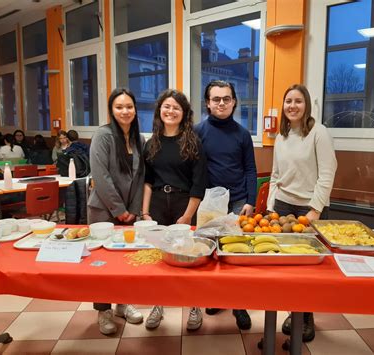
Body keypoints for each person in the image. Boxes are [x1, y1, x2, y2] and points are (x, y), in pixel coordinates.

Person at [267, 84, 337, 343]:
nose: (292, 106)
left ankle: (306, 319)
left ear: (306, 104)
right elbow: (275, 175)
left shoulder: (319, 133)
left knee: (306, 270)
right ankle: (292, 312)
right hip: (283, 207)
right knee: (284, 267)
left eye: (297, 101)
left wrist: (316, 209)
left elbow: (328, 173)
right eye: (288, 101)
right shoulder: (281, 136)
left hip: (310, 208)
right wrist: (271, 207)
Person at [141, 89, 207, 331]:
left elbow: (199, 184)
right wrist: (145, 212)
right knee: (160, 260)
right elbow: (147, 180)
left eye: (176, 108)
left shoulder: (193, 143)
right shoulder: (151, 143)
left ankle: (194, 307)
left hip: (184, 204)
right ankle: (157, 305)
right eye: (166, 106)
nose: (170, 111)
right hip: (158, 203)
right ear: (160, 110)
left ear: (184, 114)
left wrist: (188, 215)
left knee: (187, 257)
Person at [195, 80, 257, 330]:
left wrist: (251, 201)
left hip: (238, 202)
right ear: (208, 103)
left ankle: (239, 305)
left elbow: (250, 169)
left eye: (226, 99)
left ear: (234, 102)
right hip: (209, 204)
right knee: (210, 255)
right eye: (216, 99)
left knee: (235, 255)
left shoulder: (242, 134)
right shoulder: (198, 131)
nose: (221, 103)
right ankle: (215, 298)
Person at [87, 88, 146, 335]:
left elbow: (141, 176)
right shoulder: (103, 136)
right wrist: (119, 210)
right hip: (103, 210)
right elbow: (101, 176)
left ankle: (123, 303)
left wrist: (133, 210)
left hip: (129, 213)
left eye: (129, 106)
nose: (125, 111)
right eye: (119, 107)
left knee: (125, 260)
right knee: (103, 263)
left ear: (135, 109)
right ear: (111, 110)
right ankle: (104, 311)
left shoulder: (139, 139)